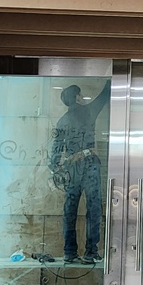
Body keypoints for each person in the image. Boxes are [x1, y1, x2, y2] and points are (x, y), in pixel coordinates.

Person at [49, 83, 111, 264]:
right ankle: (91, 252)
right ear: (77, 97)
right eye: (81, 95)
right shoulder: (89, 111)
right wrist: (110, 78)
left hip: (71, 168)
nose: (83, 97)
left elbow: (56, 150)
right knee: (93, 208)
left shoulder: (62, 121)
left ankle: (69, 252)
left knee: (70, 209)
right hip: (90, 165)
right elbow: (104, 95)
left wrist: (55, 169)